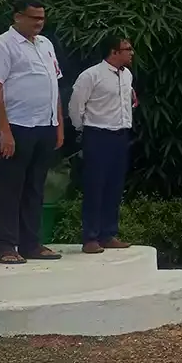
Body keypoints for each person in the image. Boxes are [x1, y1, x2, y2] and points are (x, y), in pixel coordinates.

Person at [0, 0, 64, 264]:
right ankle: (5, 246)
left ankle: (31, 244)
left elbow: (53, 84)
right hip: (16, 126)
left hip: (44, 125)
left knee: (35, 188)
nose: (39, 23)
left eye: (42, 18)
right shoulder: (3, 45)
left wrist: (58, 124)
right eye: (34, 18)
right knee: (9, 189)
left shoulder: (45, 44)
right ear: (18, 17)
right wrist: (4, 131)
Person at [68, 36, 136, 254]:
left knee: (114, 186)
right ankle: (90, 237)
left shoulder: (127, 75)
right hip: (98, 134)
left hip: (120, 134)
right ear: (114, 52)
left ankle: (108, 234)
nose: (131, 53)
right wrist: (83, 128)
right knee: (95, 186)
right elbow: (76, 105)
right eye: (127, 49)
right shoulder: (91, 75)